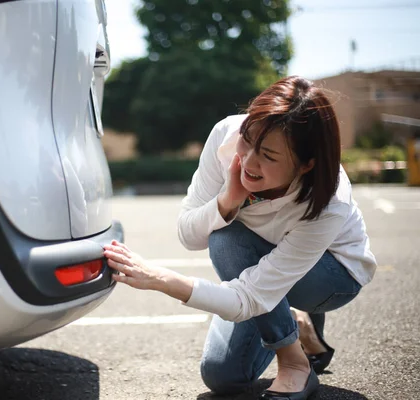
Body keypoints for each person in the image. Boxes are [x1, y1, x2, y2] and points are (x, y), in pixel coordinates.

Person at [103, 76, 377, 400]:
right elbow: (189, 235)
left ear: (307, 164)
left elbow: (248, 298)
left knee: (228, 240)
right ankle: (297, 322)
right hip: (267, 262)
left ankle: (294, 362)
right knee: (224, 377)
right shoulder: (226, 137)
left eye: (269, 156)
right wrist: (227, 200)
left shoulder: (330, 202)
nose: (247, 161)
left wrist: (159, 278)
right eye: (248, 140)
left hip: (331, 277)